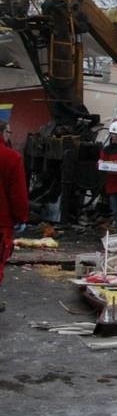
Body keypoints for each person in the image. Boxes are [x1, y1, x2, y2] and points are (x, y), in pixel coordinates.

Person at [0, 120, 29, 309]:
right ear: (3, 132)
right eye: (9, 131)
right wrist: (20, 217)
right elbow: (17, 193)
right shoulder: (11, 158)